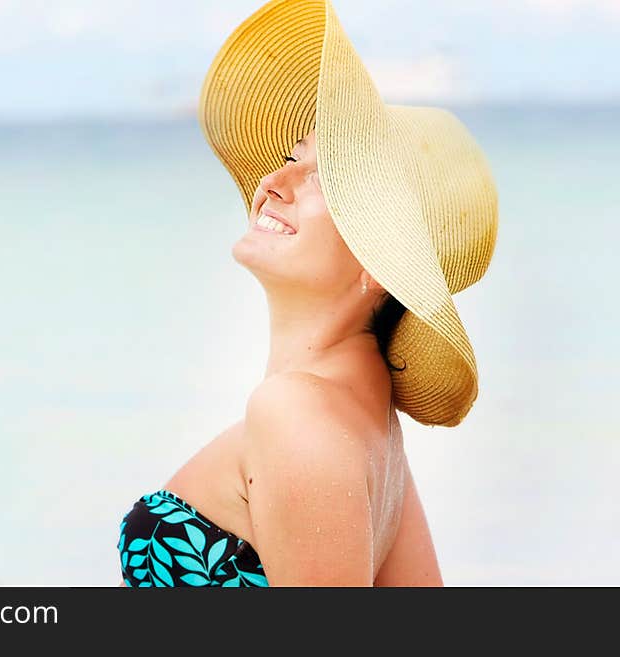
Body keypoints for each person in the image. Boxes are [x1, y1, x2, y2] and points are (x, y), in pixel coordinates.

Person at [116, 0, 498, 587]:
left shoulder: (296, 413)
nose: (273, 181)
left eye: (323, 179)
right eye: (292, 159)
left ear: (381, 259)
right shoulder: (372, 429)